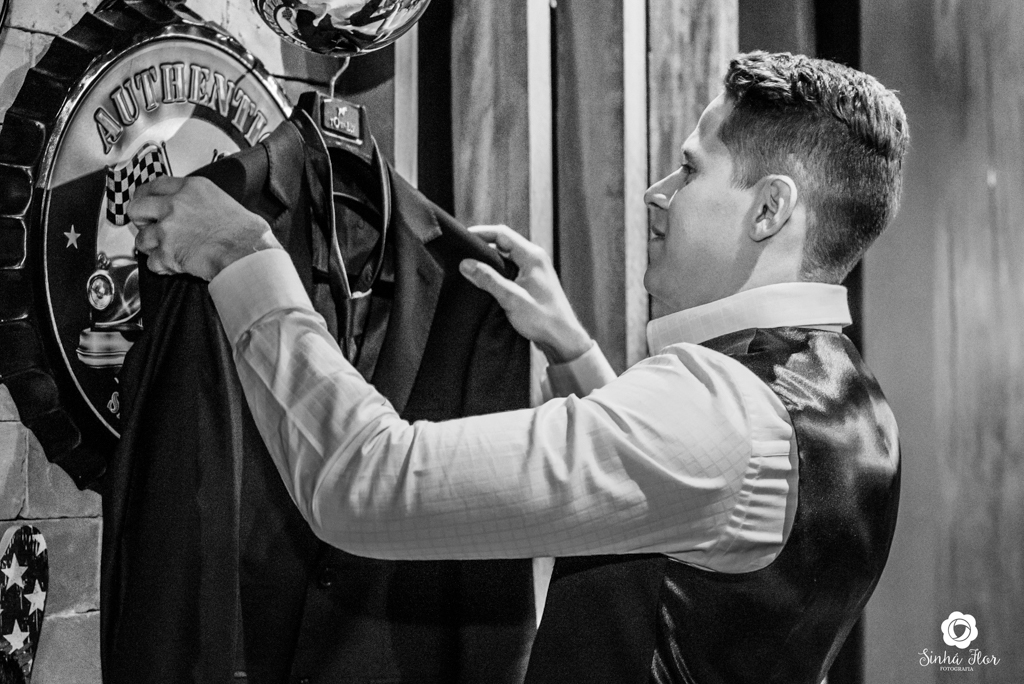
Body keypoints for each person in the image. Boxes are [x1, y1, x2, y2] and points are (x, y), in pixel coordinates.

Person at [128, 51, 907, 682]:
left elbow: (367, 483)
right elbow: (696, 520)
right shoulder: (848, 402)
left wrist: (242, 255)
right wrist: (573, 353)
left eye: (689, 169)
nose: (656, 193)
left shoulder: (722, 417)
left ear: (769, 210)